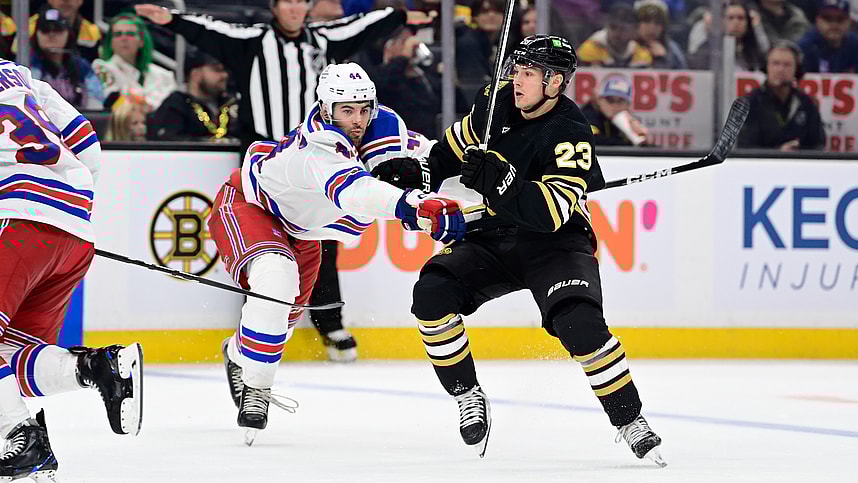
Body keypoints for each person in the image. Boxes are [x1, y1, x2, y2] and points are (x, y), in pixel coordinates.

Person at [372, 35, 666, 465]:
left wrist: (502, 180)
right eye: (516, 70)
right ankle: (467, 394)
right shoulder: (495, 100)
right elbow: (448, 154)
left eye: (528, 73)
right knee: (431, 295)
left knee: (581, 325)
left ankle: (629, 419)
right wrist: (419, 173)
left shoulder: (570, 133)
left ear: (555, 82)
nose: (517, 80)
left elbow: (550, 214)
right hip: (492, 235)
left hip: (555, 242)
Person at [209, 63, 465, 442]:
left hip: (304, 233)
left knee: (278, 319)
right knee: (275, 284)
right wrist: (413, 206)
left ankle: (238, 352)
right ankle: (258, 387)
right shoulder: (317, 146)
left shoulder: (385, 127)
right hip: (251, 208)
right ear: (326, 109)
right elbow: (356, 191)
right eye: (347, 110)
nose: (358, 119)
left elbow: (431, 157)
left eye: (364, 109)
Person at [0, 59, 143, 480]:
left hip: (19, 222)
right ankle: (97, 367)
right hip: (73, 228)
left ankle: (21, 435)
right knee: (14, 359)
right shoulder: (16, 73)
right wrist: (67, 206)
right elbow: (85, 139)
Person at [134, 2, 406, 147]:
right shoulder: (251, 41)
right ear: (274, 7)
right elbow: (210, 30)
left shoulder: (325, 40)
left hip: (316, 146)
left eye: (301, 2)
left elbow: (360, 25)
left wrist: (400, 17)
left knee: (320, 231)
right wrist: (172, 20)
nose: (295, 8)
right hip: (264, 147)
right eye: (288, 1)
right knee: (265, 229)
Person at [738, 40, 826, 150]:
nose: (780, 69)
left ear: (796, 69)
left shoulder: (806, 103)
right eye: (775, 63)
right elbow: (745, 148)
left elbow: (818, 144)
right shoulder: (750, 103)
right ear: (767, 67)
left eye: (787, 65)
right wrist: (779, 152)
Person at [93, 13, 176, 111]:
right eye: (118, 34)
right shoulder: (101, 68)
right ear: (111, 42)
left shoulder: (164, 75)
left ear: (141, 41)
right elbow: (113, 101)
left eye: (130, 34)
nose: (124, 38)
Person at [149, 51, 239, 142]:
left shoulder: (230, 104)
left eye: (225, 70)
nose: (224, 75)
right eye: (217, 70)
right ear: (195, 74)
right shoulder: (175, 106)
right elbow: (169, 140)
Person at [29, 6, 104, 110]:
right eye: (45, 30)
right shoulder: (27, 65)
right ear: (36, 35)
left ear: (68, 34)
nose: (51, 34)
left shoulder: (82, 66)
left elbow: (96, 100)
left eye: (57, 30)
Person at [10, 0, 103, 62]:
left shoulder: (92, 32)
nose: (66, 1)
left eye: (58, 30)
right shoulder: (27, 28)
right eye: (45, 30)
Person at [688, 0, 769, 71]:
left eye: (740, 18)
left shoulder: (755, 52)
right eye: (730, 18)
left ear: (747, 23)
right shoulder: (708, 50)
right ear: (722, 22)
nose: (736, 22)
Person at [582, 73, 650, 146]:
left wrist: (641, 139)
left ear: (627, 105)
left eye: (620, 101)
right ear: (599, 100)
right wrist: (628, 144)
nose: (615, 105)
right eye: (610, 100)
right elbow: (593, 140)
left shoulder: (627, 121)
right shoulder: (586, 116)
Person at [578, 3, 653, 67]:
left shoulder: (641, 54)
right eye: (613, 27)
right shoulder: (590, 48)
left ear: (634, 30)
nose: (616, 32)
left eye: (623, 29)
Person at [798, 0, 858, 73]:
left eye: (840, 19)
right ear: (818, 21)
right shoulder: (805, 47)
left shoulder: (855, 44)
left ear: (849, 22)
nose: (834, 25)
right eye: (827, 19)